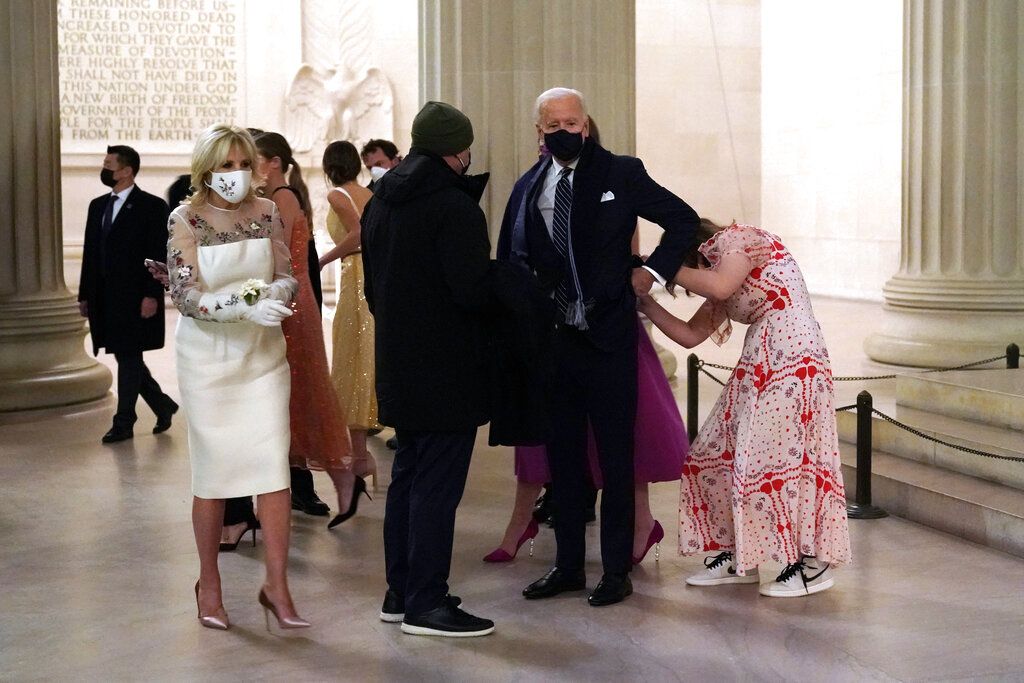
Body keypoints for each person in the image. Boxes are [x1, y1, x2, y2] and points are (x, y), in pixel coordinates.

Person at [498, 87, 698, 607]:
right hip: (556, 344)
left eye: (571, 122)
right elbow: (511, 266)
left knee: (615, 458)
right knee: (563, 461)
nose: (563, 131)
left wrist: (651, 271)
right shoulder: (528, 188)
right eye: (552, 124)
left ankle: (615, 571)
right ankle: (566, 566)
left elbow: (682, 219)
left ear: (584, 125)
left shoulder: (620, 172)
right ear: (538, 131)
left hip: (608, 339)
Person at [637, 220, 852, 597]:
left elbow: (719, 284)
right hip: (762, 356)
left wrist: (657, 265)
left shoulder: (740, 240)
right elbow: (690, 335)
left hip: (796, 355)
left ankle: (812, 566)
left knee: (779, 460)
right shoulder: (720, 278)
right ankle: (742, 558)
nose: (690, 285)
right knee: (714, 451)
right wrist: (646, 302)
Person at [361, 101, 495, 637]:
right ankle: (426, 604)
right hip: (447, 369)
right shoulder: (453, 207)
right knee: (436, 487)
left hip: (397, 361)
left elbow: (373, 290)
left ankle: (401, 591)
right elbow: (471, 292)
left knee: (409, 479)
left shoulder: (380, 202)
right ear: (458, 151)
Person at [168, 124, 307, 630]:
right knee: (213, 474)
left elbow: (287, 271)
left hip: (263, 358)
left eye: (242, 164)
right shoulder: (185, 218)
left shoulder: (268, 211)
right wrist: (245, 303)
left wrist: (277, 296)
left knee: (273, 469)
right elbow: (184, 296)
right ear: (206, 169)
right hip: (208, 361)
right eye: (225, 166)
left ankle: (277, 585)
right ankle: (210, 581)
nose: (235, 174)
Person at [253, 131, 362, 528]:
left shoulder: (282, 198)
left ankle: (342, 479)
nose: (250, 168)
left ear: (275, 163)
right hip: (292, 302)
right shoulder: (283, 196)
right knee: (297, 396)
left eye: (256, 160)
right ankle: (332, 483)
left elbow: (271, 254)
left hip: (291, 306)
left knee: (304, 393)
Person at [78, 145, 177, 444]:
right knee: (126, 355)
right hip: (105, 297)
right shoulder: (98, 206)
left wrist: (151, 295)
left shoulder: (151, 206)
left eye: (109, 164)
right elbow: (90, 253)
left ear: (126, 170)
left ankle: (124, 421)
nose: (104, 168)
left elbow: (157, 253)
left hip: (135, 297)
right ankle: (162, 405)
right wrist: (85, 294)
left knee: (130, 355)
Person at [318, 141, 380, 486]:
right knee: (363, 359)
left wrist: (323, 259)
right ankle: (360, 457)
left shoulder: (338, 195)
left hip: (356, 277)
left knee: (352, 360)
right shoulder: (368, 193)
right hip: (367, 275)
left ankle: (359, 457)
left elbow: (359, 235)